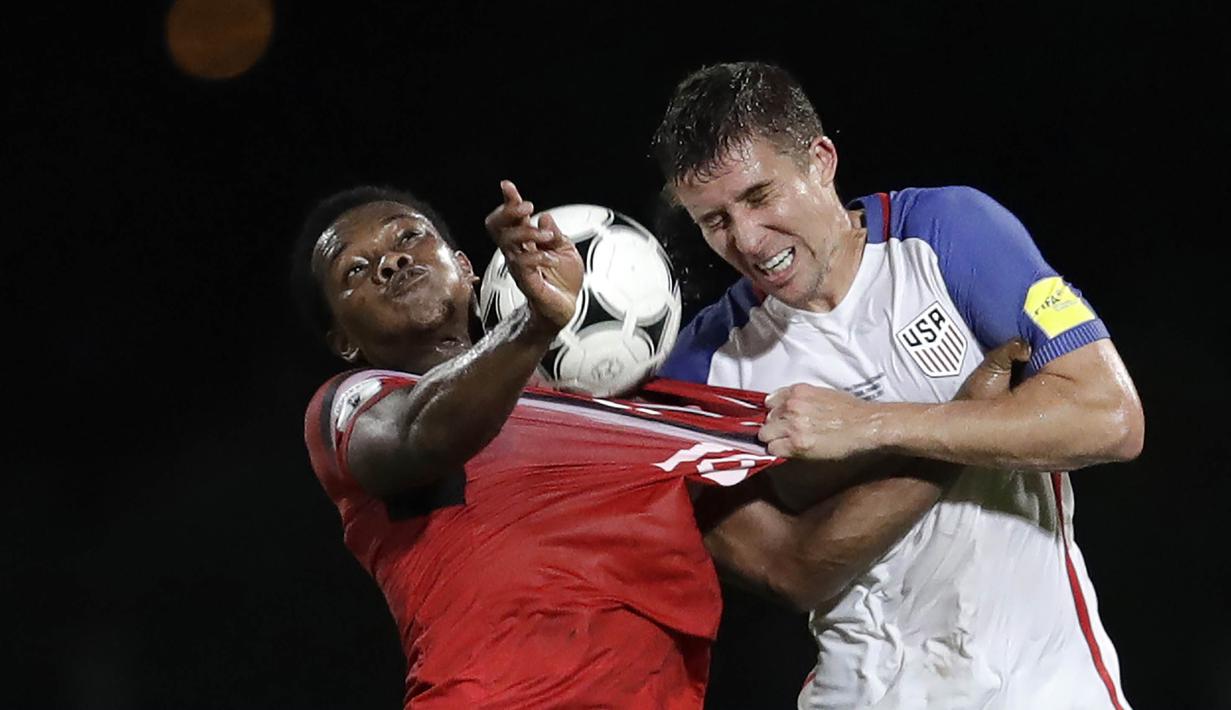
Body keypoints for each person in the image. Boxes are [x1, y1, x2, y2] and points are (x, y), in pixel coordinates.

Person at [291, 181, 1019, 707]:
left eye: (406, 236)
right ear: (341, 341)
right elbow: (426, 437)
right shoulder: (354, 409)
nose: (388, 261)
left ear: (467, 265)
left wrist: (947, 432)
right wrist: (534, 325)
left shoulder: (626, 418)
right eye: (353, 270)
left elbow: (794, 560)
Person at [652, 61, 1144, 710]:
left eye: (758, 196)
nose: (744, 238)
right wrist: (963, 420)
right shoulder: (700, 371)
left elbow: (1110, 418)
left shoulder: (951, 236)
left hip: (1042, 686)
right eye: (713, 221)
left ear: (820, 160)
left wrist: (868, 426)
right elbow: (789, 571)